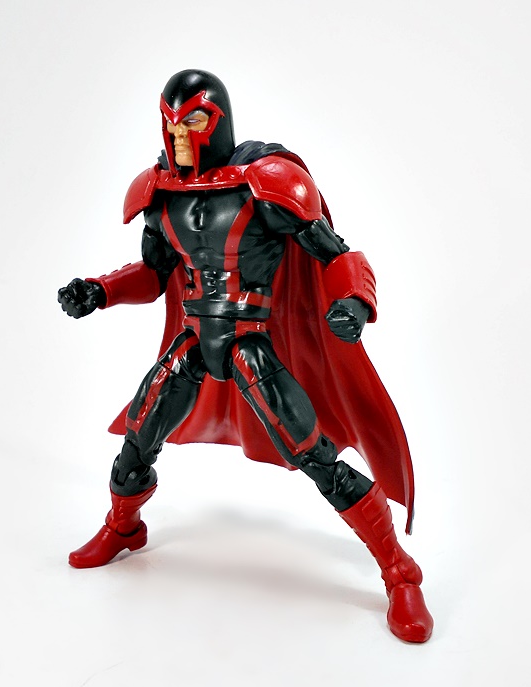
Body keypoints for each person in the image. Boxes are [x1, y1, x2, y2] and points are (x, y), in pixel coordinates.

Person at [58, 69, 433, 643]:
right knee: (138, 439)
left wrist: (354, 303)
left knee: (316, 458)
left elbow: (337, 255)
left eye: (194, 121)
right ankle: (124, 527)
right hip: (193, 343)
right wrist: (100, 290)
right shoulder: (159, 192)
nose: (181, 136)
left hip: (250, 344)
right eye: (172, 123)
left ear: (218, 119)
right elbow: (154, 275)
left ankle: (400, 570)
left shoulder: (268, 183)